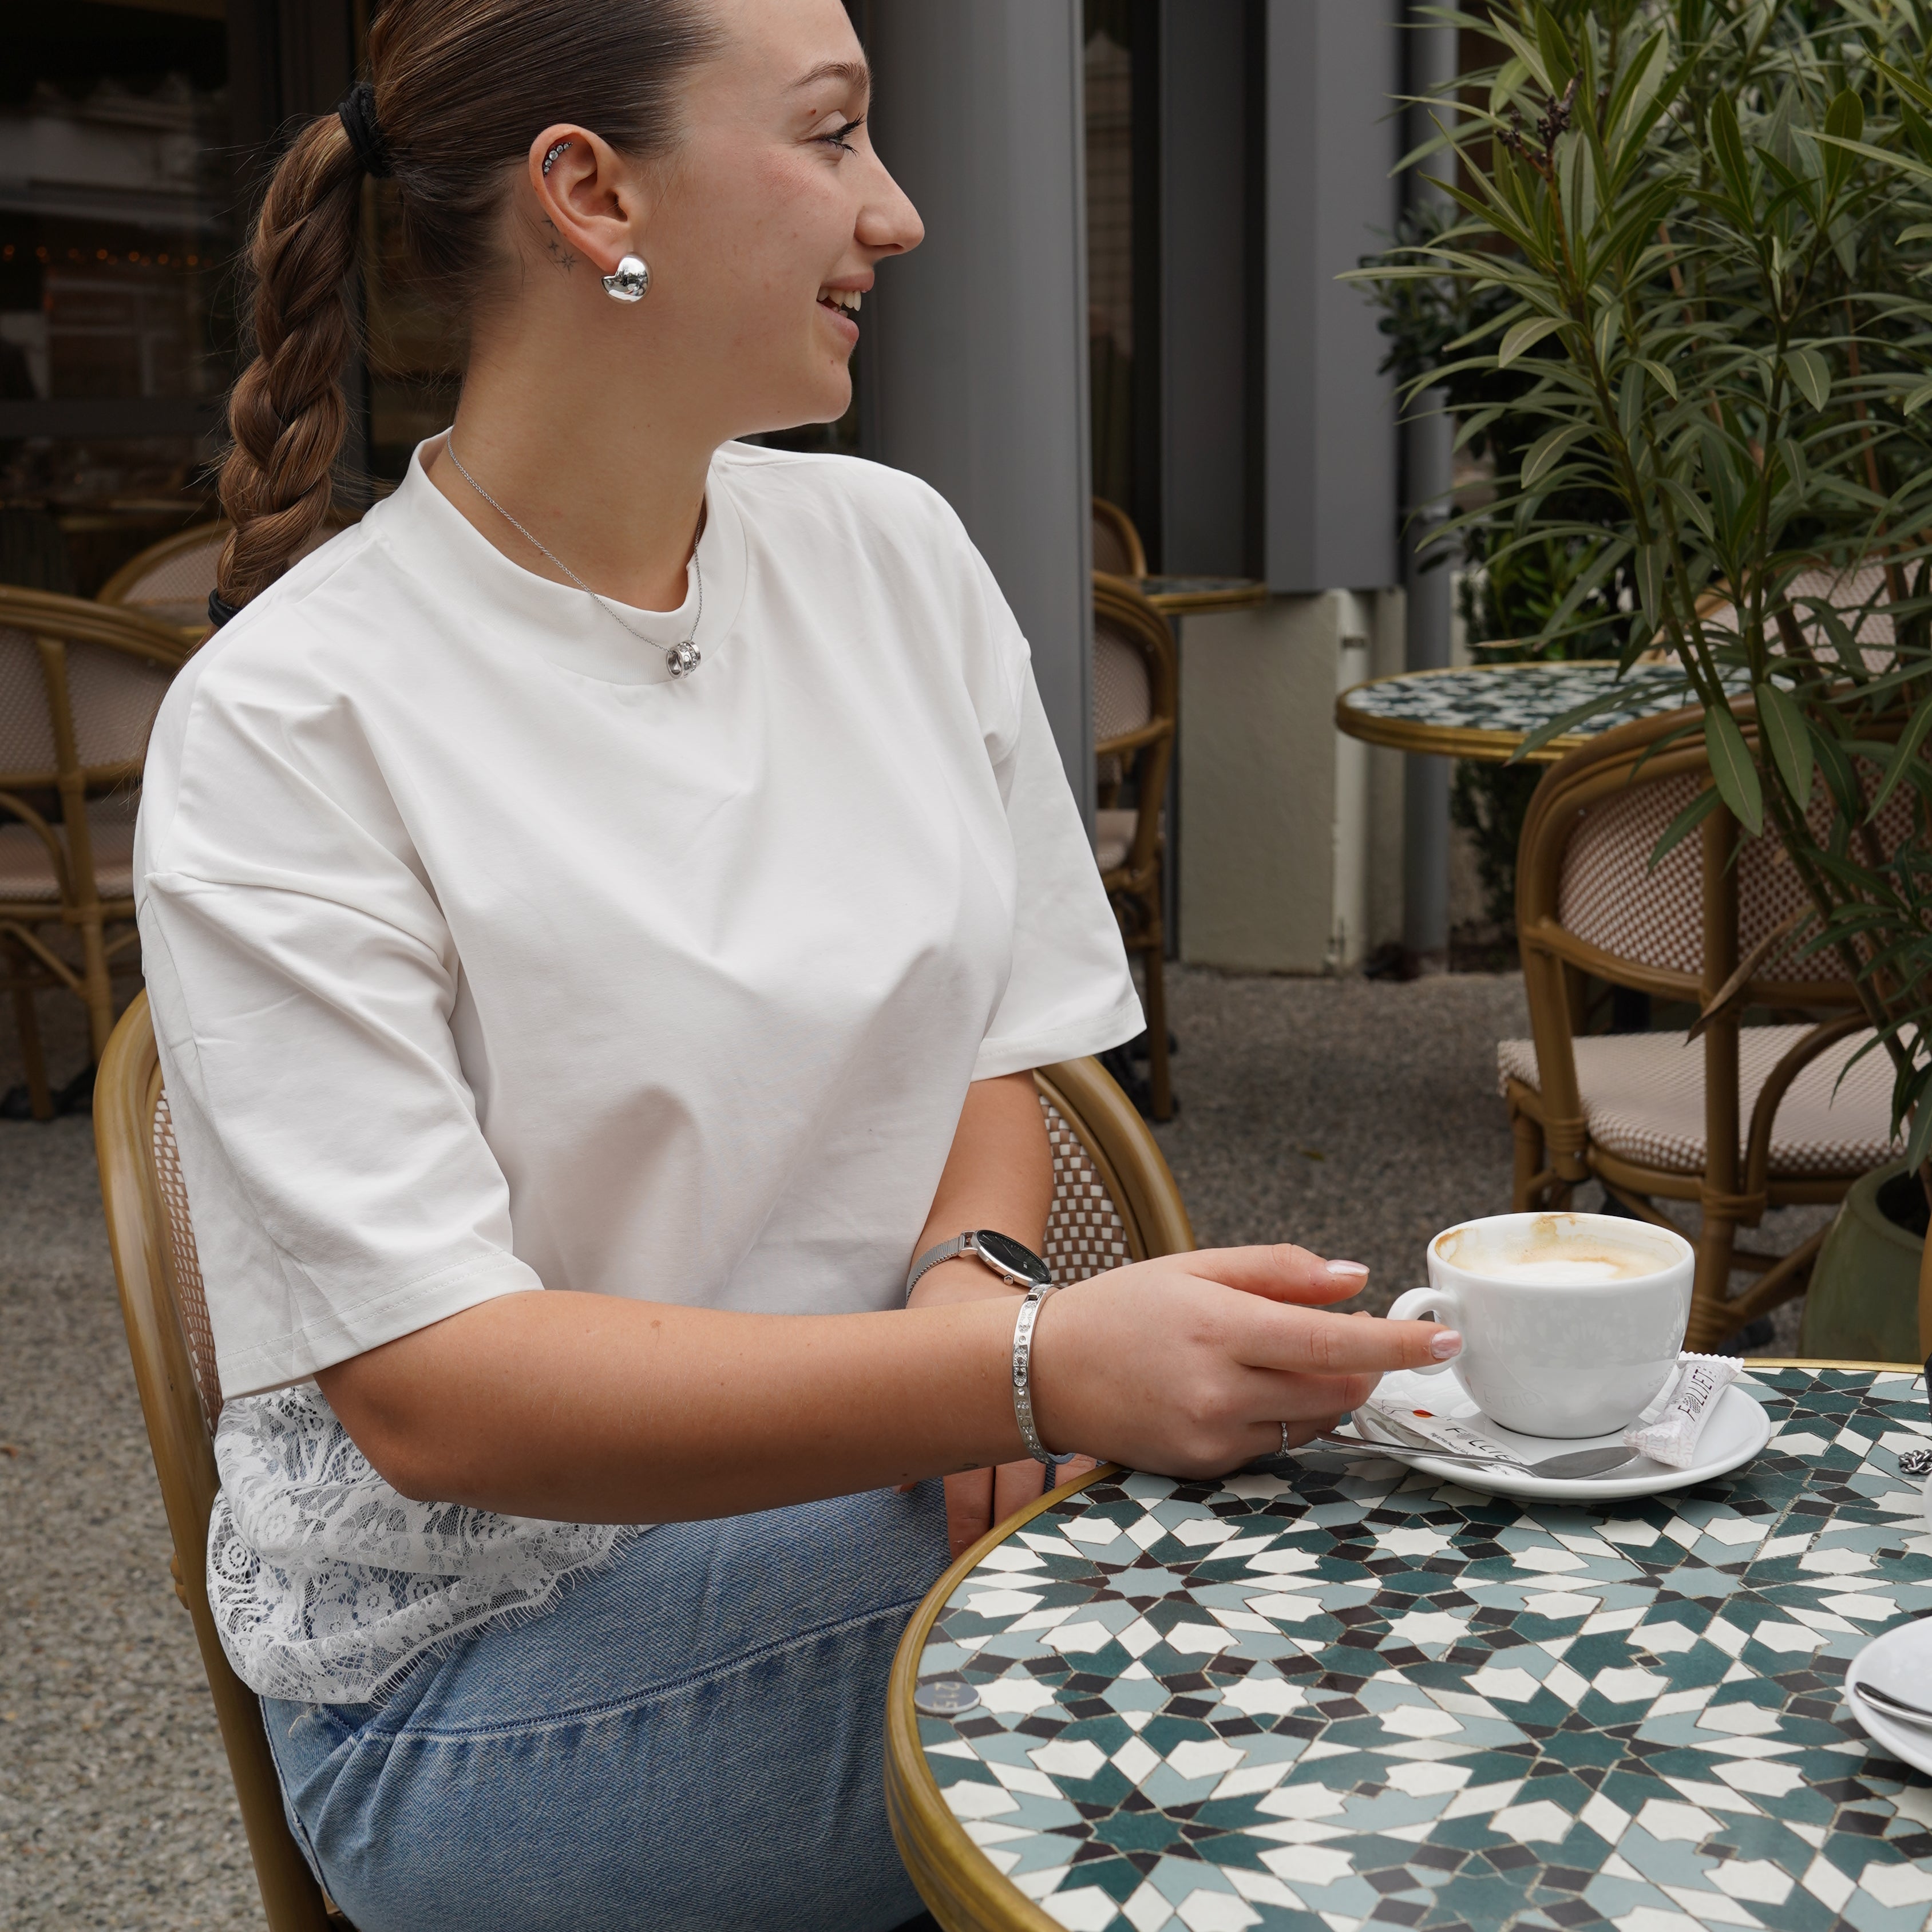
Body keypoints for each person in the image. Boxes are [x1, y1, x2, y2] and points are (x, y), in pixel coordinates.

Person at [134, 1, 1462, 1926]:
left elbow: (992, 1043)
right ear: (592, 194)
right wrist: (1025, 1367)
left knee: (1374, 1542)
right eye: (833, 137)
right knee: (1301, 1672)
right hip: (498, 1677)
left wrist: (974, 1287)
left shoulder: (892, 561)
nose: (900, 212)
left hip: (885, 1500)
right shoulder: (295, 717)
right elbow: (441, 1393)